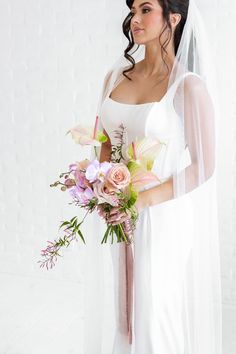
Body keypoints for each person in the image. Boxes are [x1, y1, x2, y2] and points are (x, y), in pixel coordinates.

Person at [83, 1, 222, 353]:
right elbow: (104, 141)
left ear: (173, 18)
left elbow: (204, 166)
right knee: (125, 316)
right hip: (121, 215)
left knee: (153, 312)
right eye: (133, 10)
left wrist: (141, 200)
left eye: (146, 9)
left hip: (162, 219)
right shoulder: (115, 77)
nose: (135, 19)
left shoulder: (188, 87)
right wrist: (103, 186)